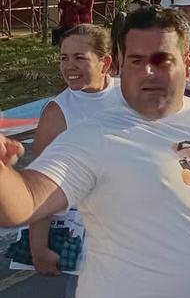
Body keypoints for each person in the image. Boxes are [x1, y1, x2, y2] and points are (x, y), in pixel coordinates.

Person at [0, 7, 190, 298]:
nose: (149, 72)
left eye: (163, 60)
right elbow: (26, 201)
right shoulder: (94, 136)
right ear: (121, 66)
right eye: (136, 61)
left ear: (187, 63)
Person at [26, 25, 120, 280]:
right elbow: (40, 185)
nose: (69, 66)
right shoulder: (57, 113)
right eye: (64, 58)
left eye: (79, 57)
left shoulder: (129, 96)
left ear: (105, 62)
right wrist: (38, 248)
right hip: (87, 243)